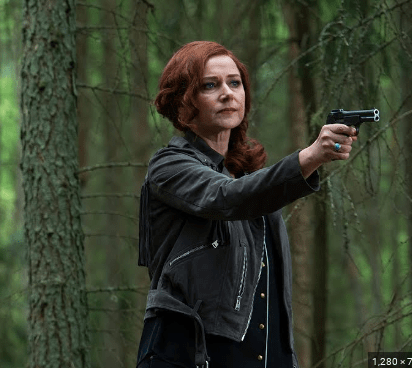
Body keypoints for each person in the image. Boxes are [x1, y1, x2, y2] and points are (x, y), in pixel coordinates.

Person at [135, 41, 358, 368]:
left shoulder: (247, 179)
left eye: (234, 82)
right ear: (182, 104)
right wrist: (310, 157)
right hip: (188, 354)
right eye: (210, 85)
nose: (227, 93)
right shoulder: (168, 165)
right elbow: (226, 197)